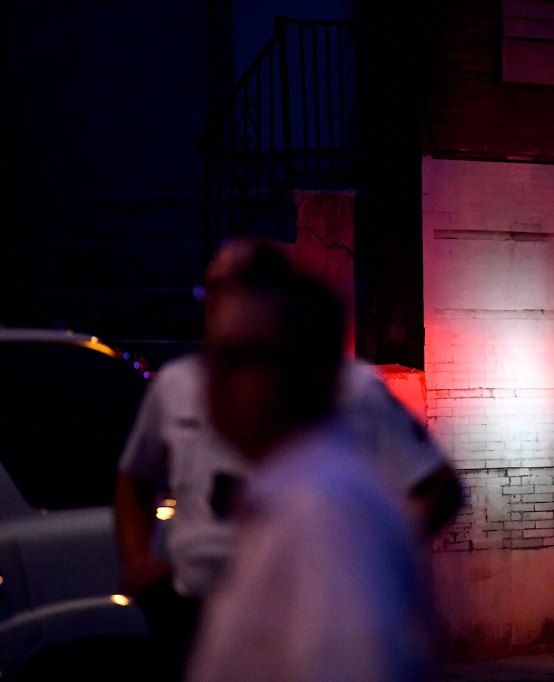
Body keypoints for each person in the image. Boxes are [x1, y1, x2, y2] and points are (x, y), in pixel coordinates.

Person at [114, 238, 460, 680]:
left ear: (302, 369)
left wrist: (383, 543)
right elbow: (134, 477)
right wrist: (141, 563)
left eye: (243, 358)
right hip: (189, 601)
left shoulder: (323, 510)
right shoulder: (282, 495)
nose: (217, 381)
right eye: (211, 292)